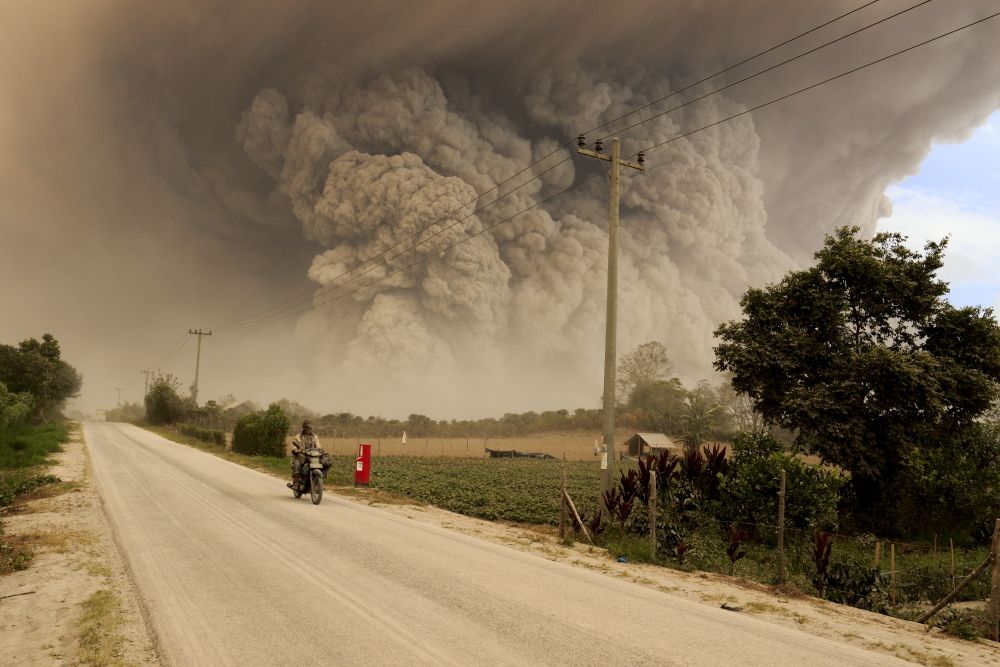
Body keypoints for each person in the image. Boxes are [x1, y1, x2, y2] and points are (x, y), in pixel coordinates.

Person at [287, 419, 320, 489]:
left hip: (311, 456)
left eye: (310, 428)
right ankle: (296, 483)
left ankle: (319, 482)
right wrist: (296, 450)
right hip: (301, 456)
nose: (308, 429)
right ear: (303, 427)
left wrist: (321, 450)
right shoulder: (298, 437)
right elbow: (293, 447)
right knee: (297, 463)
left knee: (323, 462)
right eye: (307, 427)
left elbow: (318, 446)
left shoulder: (315, 437)